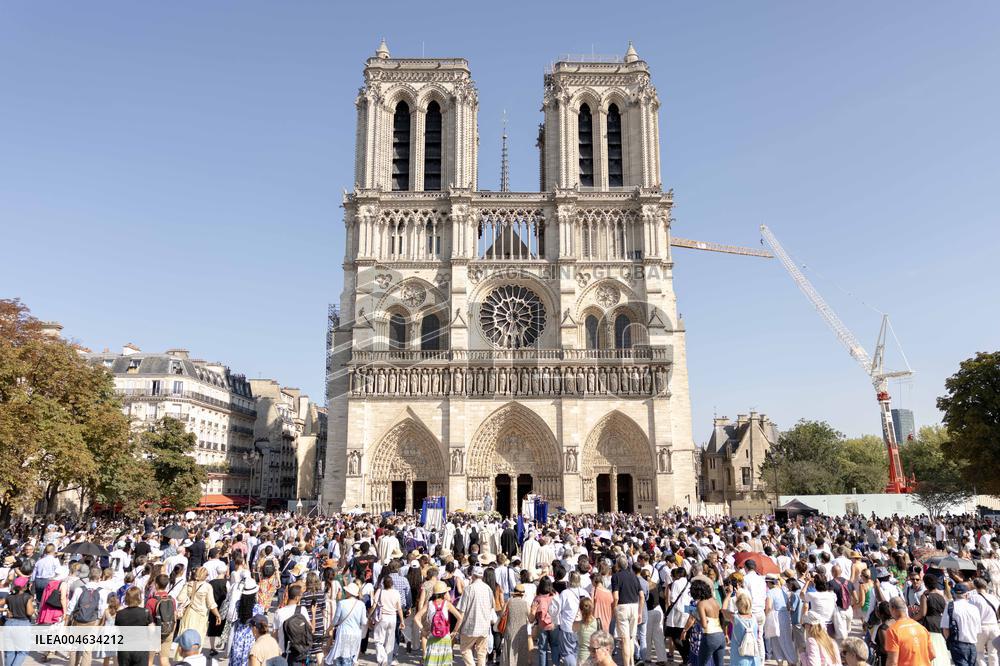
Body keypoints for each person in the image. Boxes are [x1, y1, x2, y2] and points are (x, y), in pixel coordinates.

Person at [176, 567, 222, 658]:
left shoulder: (188, 584)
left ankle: (182, 657)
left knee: (185, 636)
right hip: (200, 616)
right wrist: (218, 615)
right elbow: (211, 604)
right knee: (198, 637)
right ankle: (194, 657)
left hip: (188, 614)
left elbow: (180, 598)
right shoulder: (207, 587)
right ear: (205, 576)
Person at [417, 580, 463, 666]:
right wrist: (454, 631)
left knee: (432, 661)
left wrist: (422, 630)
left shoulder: (429, 604)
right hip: (445, 637)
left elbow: (416, 618)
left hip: (432, 636)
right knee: (444, 662)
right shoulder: (447, 604)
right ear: (444, 593)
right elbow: (460, 618)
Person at [457, 566, 494, 666]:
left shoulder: (469, 589)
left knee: (465, 649)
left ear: (472, 575)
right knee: (482, 653)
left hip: (470, 626)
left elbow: (462, 610)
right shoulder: (488, 589)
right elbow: (491, 606)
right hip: (484, 626)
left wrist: (456, 629)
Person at [612, 556, 645, 666]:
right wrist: (640, 612)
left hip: (622, 607)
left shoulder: (616, 576)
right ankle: (630, 663)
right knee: (631, 638)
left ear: (617, 565)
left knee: (625, 639)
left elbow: (616, 597)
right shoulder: (634, 576)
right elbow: (641, 596)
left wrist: (614, 610)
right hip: (634, 607)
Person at [885, 596, 935, 666]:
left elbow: (893, 662)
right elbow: (932, 654)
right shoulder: (922, 628)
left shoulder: (893, 630)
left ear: (892, 608)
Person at [327, 582, 367, 666]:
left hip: (343, 633)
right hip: (356, 633)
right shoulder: (361, 604)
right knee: (350, 656)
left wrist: (329, 629)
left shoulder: (342, 603)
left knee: (341, 657)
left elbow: (335, 620)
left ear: (349, 592)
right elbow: (363, 621)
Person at [369, 573, 405, 666]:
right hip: (393, 617)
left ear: (383, 583)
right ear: (392, 584)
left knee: (378, 640)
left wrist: (369, 616)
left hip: (382, 617)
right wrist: (402, 621)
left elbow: (374, 605)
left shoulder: (380, 591)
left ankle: (382, 659)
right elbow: (399, 608)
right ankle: (388, 661)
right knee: (390, 640)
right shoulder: (396, 593)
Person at [942, 583, 981, 666]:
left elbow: (945, 629)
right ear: (967, 594)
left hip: (957, 644)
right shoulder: (974, 609)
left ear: (954, 594)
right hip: (972, 645)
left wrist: (949, 642)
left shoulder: (950, 606)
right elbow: (978, 630)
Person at [229, 580, 264, 666]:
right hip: (251, 636)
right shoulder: (258, 608)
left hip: (238, 635)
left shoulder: (238, 604)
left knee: (236, 659)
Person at [115, 587, 153, 666]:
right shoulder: (145, 612)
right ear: (139, 598)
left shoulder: (119, 613)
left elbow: (117, 632)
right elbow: (152, 630)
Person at [530, 576, 562, 666]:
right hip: (554, 624)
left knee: (542, 649)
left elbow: (533, 613)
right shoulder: (555, 595)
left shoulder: (537, 598)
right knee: (555, 646)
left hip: (542, 625)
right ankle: (556, 664)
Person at [3, 577, 35, 666]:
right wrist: (33, 610)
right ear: (25, 586)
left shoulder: (9, 597)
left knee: (10, 652)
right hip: (22, 624)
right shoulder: (27, 597)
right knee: (22, 652)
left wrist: (5, 611)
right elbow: (29, 612)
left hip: (9, 624)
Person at [968, 578, 999, 666]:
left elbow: (970, 614)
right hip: (994, 626)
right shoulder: (994, 598)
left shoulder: (973, 598)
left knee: (979, 652)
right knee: (993, 653)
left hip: (981, 627)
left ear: (975, 586)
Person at [730, 592, 763, 666]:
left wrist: (729, 593)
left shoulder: (735, 618)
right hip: (753, 656)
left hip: (739, 657)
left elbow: (723, 609)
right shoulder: (754, 618)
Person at [573, 596, 600, 666]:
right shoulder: (597, 622)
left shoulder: (578, 624)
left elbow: (572, 628)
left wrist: (578, 613)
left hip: (582, 658)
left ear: (581, 610)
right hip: (595, 657)